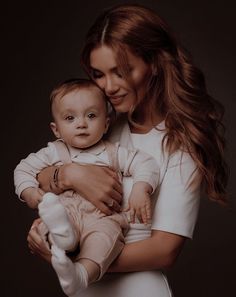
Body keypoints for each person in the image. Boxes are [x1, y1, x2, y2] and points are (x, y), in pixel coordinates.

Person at [27, 4, 228, 297]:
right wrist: (70, 175)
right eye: (98, 74)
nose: (108, 87)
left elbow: (164, 251)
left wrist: (74, 259)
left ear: (154, 64)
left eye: (121, 72)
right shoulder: (103, 126)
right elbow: (40, 174)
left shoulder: (179, 145)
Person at [14, 78, 160, 296]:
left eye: (91, 116)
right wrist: (30, 193)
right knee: (47, 227)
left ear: (106, 123)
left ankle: (80, 274)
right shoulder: (54, 152)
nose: (81, 124)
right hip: (66, 211)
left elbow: (146, 163)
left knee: (105, 239)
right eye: (70, 118)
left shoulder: (113, 152)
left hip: (102, 217)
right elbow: (22, 169)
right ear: (56, 129)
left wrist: (141, 188)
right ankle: (62, 235)